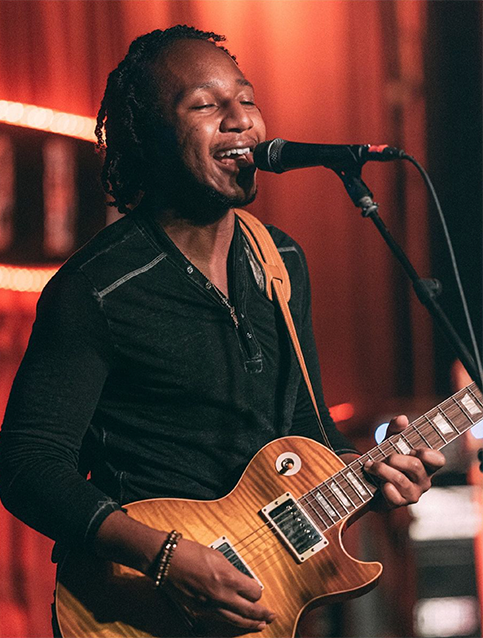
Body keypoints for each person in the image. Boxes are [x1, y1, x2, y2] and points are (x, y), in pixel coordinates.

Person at [0, 25, 445, 636]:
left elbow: (307, 432)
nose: (242, 121)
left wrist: (374, 473)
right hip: (139, 609)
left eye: (247, 99)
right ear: (150, 135)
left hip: (260, 606)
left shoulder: (281, 260)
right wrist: (164, 558)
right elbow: (26, 465)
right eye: (206, 106)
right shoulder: (97, 288)